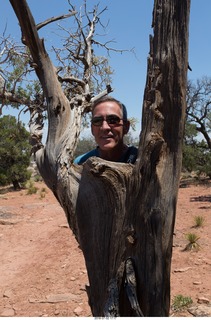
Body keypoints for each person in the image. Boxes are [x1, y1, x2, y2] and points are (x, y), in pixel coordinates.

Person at [74, 96, 138, 165]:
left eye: (113, 120)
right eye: (97, 121)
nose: (104, 127)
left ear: (126, 127)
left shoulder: (141, 160)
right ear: (92, 129)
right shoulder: (81, 163)